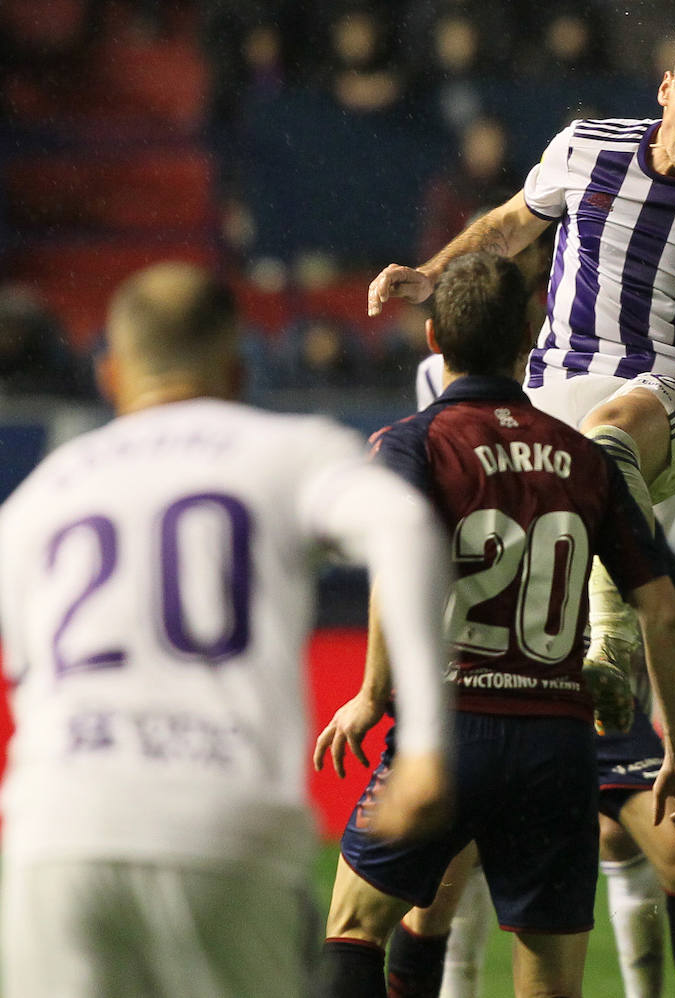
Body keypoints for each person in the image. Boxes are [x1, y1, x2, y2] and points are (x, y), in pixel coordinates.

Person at [368, 30, 675, 998]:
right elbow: (512, 222)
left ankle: (613, 646)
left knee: (607, 442)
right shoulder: (588, 148)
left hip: (666, 401)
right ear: (666, 88)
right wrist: (431, 275)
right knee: (447, 865)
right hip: (551, 421)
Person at [0, 262, 454, 998]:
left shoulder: (39, 495)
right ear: (239, 370)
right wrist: (427, 749)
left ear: (111, 373)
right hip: (220, 821)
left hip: (57, 832)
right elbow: (404, 523)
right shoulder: (284, 449)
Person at [318, 251, 675, 998]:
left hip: (449, 731)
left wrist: (372, 694)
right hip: (555, 748)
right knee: (551, 980)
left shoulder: (409, 445)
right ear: (529, 342)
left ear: (433, 338)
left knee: (352, 930)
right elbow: (658, 609)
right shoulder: (586, 459)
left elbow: (395, 562)